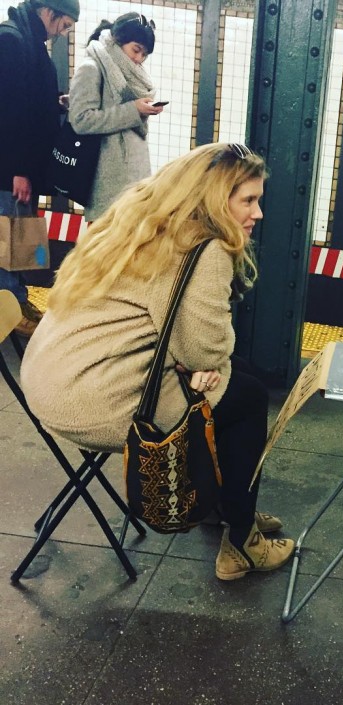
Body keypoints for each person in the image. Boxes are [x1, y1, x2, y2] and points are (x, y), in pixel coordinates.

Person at [20, 142, 294, 580]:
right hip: (97, 401)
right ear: (212, 197)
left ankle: (225, 504)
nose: (257, 213)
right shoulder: (202, 247)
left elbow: (176, 335)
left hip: (50, 383)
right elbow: (203, 351)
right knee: (249, 398)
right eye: (248, 200)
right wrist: (201, 361)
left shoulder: (137, 222)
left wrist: (202, 362)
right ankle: (242, 541)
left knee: (236, 376)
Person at [0, 0, 80, 337]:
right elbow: (9, 112)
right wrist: (17, 170)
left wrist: (55, 101)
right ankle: (9, 307)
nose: (63, 32)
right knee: (7, 237)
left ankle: (18, 300)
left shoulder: (28, 39)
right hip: (10, 167)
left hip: (23, 165)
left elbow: (29, 99)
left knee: (21, 237)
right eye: (65, 25)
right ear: (49, 11)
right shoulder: (12, 40)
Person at [68, 11, 163, 222]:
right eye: (136, 50)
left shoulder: (130, 74)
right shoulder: (92, 67)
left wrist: (140, 110)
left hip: (133, 181)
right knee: (104, 243)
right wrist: (134, 110)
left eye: (144, 54)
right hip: (107, 184)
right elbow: (81, 120)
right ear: (118, 40)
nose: (139, 59)